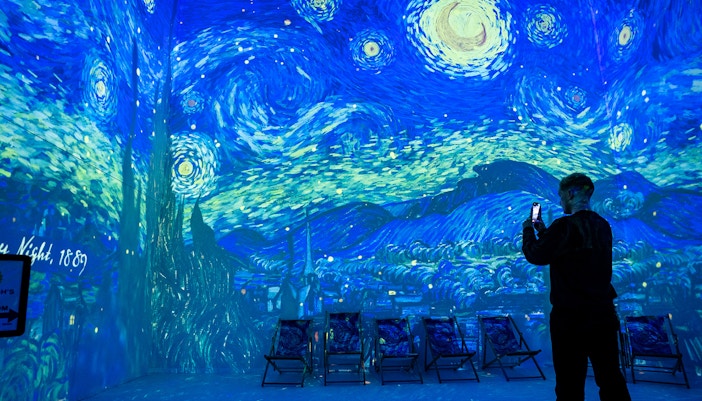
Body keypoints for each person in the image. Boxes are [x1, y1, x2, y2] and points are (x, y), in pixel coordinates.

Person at [522, 173, 631, 401]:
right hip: (602, 315)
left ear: (571, 194)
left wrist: (529, 230)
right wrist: (545, 232)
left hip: (570, 320)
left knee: (569, 386)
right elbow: (574, 246)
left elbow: (537, 255)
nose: (561, 201)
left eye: (562, 195)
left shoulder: (564, 226)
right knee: (611, 381)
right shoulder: (602, 226)